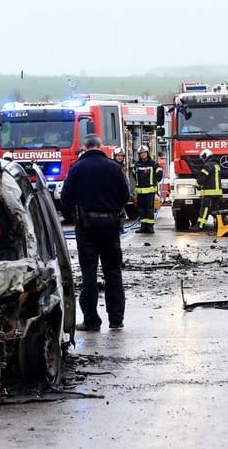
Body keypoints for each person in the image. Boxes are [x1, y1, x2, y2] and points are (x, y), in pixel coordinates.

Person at [61, 134, 130, 331]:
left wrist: (74, 215)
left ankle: (91, 320)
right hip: (110, 225)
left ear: (84, 147)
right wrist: (114, 210)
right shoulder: (114, 168)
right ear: (100, 146)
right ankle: (116, 319)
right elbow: (125, 195)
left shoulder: (76, 168)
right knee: (113, 272)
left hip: (86, 226)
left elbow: (65, 199)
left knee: (89, 273)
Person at [132, 145, 162, 234]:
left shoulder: (153, 164)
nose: (143, 155)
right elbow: (134, 175)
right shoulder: (137, 164)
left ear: (147, 153)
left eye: (144, 153)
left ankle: (150, 227)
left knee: (149, 209)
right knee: (141, 209)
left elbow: (159, 176)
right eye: (141, 153)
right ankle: (143, 226)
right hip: (140, 192)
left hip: (150, 192)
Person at [195, 149, 222, 230]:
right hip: (218, 193)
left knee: (205, 209)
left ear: (205, 156)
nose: (202, 160)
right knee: (216, 210)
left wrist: (197, 185)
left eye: (203, 158)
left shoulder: (207, 166)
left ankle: (200, 226)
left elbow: (202, 178)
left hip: (209, 192)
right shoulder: (216, 165)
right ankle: (219, 226)